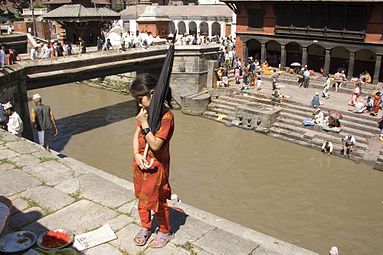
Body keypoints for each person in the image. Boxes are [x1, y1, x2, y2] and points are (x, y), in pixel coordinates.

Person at [130, 73, 174, 248]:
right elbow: (135, 136)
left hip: (157, 167)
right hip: (141, 163)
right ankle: (145, 226)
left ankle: (165, 231)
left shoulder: (166, 118)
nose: (139, 104)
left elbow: (155, 145)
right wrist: (136, 154)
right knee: (141, 198)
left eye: (141, 99)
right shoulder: (144, 112)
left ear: (153, 93)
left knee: (158, 200)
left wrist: (145, 123)